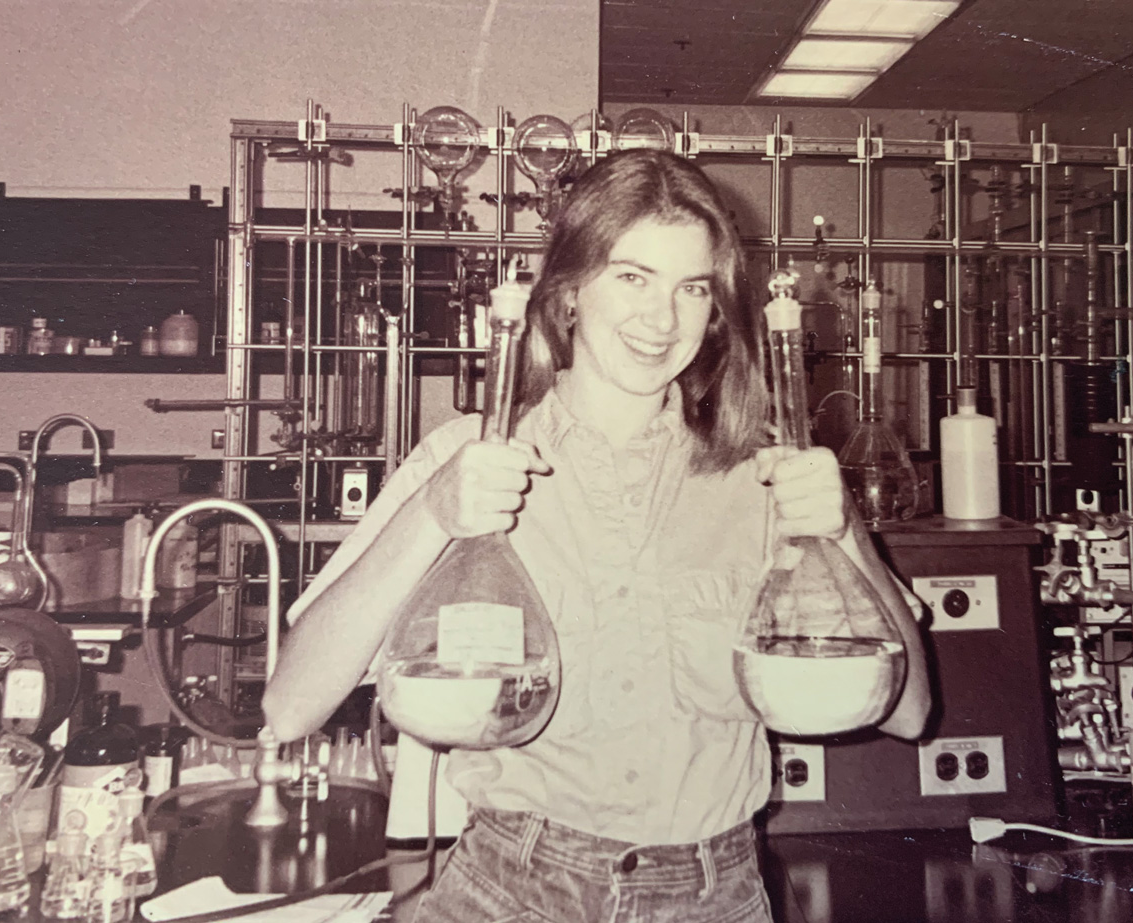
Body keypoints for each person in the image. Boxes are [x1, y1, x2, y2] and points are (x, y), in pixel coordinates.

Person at [262, 148, 931, 922]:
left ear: (717, 310)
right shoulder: (465, 462)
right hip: (509, 885)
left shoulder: (769, 479)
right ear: (571, 288)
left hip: (714, 894)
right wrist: (431, 516)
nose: (662, 319)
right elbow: (289, 706)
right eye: (632, 277)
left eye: (692, 289)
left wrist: (844, 529)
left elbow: (911, 711)